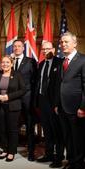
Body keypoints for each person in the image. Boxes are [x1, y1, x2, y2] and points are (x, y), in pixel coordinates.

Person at [0, 55, 26, 162]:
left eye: (7, 62)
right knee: (2, 129)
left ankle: (11, 151)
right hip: (0, 105)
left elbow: (23, 90)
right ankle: (5, 149)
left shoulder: (17, 74)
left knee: (12, 129)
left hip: (13, 106)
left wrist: (8, 97)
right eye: (3, 62)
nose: (5, 64)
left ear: (11, 63)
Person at [58, 32, 85, 169]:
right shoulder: (63, 60)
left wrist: (83, 107)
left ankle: (78, 164)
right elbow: (62, 84)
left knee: (77, 138)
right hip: (63, 106)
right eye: (62, 42)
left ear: (75, 43)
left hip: (77, 107)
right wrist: (58, 104)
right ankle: (71, 160)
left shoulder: (83, 60)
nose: (63, 44)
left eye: (66, 42)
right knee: (67, 136)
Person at [35, 42, 64, 168]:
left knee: (57, 130)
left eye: (48, 48)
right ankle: (49, 154)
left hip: (55, 103)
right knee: (47, 130)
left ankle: (58, 157)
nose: (46, 51)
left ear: (53, 49)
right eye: (43, 49)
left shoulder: (60, 62)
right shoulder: (41, 64)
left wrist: (57, 103)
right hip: (42, 101)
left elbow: (61, 85)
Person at [12, 40, 37, 161]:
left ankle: (31, 151)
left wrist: (34, 98)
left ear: (23, 48)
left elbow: (35, 81)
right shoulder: (9, 60)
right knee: (13, 125)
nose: (16, 48)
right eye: (15, 46)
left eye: (19, 46)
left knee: (29, 125)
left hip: (27, 98)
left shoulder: (30, 61)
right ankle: (12, 149)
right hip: (13, 99)